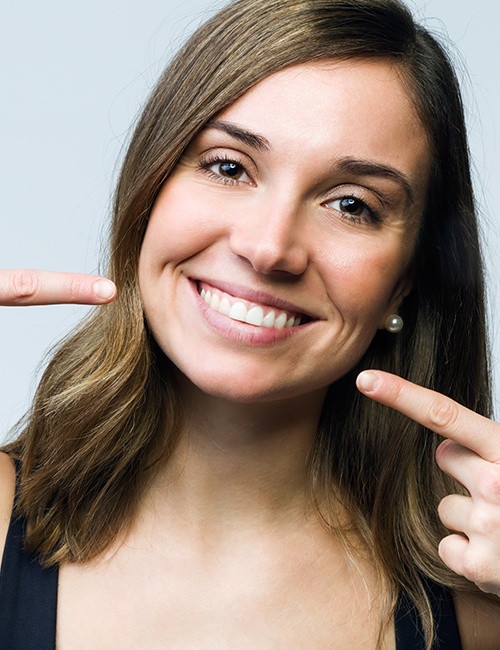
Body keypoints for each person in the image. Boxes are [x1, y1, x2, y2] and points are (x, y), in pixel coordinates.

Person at [1, 0, 500, 647]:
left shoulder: (477, 597)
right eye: (229, 167)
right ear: (149, 190)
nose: (268, 247)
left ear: (404, 281)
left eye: (352, 205)